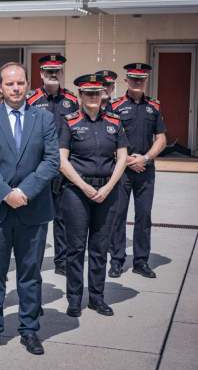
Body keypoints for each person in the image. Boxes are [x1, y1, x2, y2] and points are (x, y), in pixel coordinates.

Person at [0, 62, 59, 356]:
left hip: (32, 209)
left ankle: (29, 330)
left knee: (30, 274)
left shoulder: (44, 119)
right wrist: (6, 194)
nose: (15, 88)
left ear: (27, 85)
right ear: (0, 87)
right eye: (9, 84)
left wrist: (24, 191)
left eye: (20, 83)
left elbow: (51, 162)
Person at [59, 74, 128, 318]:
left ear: (103, 95)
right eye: (87, 93)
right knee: (76, 248)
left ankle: (97, 298)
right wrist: (84, 186)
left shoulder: (114, 121)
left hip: (107, 191)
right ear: (79, 96)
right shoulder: (69, 122)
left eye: (96, 93)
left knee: (99, 247)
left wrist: (108, 187)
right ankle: (75, 299)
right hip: (77, 191)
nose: (92, 98)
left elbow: (122, 157)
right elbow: (61, 160)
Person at [107, 63, 167, 279]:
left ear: (146, 81)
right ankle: (116, 260)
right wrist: (127, 160)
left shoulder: (154, 107)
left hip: (146, 169)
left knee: (144, 216)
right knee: (118, 216)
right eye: (133, 78)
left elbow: (161, 138)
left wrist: (145, 157)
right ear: (126, 81)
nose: (137, 82)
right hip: (122, 171)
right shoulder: (115, 106)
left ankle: (141, 261)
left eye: (141, 79)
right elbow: (108, 138)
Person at [27, 55, 78, 276]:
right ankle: (31, 260)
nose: (53, 75)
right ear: (41, 74)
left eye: (56, 71)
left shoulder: (72, 100)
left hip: (64, 169)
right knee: (36, 219)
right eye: (48, 71)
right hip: (38, 169)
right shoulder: (31, 101)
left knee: (62, 218)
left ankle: (62, 262)